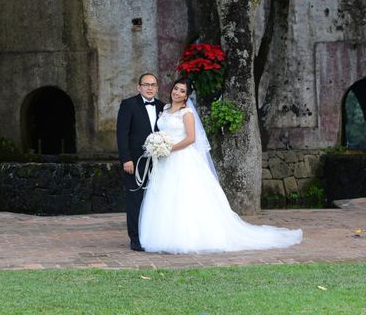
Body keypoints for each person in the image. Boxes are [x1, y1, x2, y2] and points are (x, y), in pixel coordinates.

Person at [138, 78, 303, 253]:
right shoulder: (164, 109)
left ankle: (189, 238)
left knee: (184, 197)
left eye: (182, 91)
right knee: (165, 197)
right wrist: (158, 145)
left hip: (181, 158)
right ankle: (164, 237)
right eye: (176, 89)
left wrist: (170, 148)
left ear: (187, 96)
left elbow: (191, 138)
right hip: (164, 161)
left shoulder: (186, 113)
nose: (177, 93)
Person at [116, 73, 165, 251]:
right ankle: (135, 238)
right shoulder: (128, 105)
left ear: (157, 88)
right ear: (139, 87)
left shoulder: (162, 107)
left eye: (153, 85)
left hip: (159, 163)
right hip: (135, 162)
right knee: (135, 199)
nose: (149, 88)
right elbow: (121, 134)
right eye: (146, 85)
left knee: (156, 200)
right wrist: (126, 159)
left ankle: (153, 235)